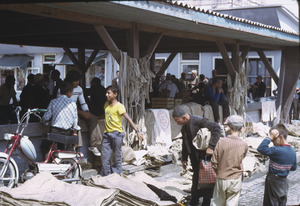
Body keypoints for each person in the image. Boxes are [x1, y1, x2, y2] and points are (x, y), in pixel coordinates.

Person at [172, 106, 221, 206]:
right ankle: (195, 201)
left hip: (205, 157)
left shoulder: (200, 121)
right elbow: (185, 143)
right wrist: (184, 158)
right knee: (196, 180)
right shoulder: (184, 128)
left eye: (178, 121)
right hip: (194, 157)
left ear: (184, 118)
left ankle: (206, 202)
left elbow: (217, 128)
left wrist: (211, 146)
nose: (177, 123)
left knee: (207, 181)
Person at [101, 85, 144, 176]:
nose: (106, 95)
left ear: (115, 94)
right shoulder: (106, 105)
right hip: (106, 135)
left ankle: (116, 176)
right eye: (106, 93)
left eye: (109, 93)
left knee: (117, 157)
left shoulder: (119, 106)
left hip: (117, 135)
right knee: (105, 157)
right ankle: (106, 176)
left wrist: (137, 132)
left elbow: (128, 119)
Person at [58, 70, 102, 156]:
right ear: (70, 81)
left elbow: (83, 102)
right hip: (66, 112)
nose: (78, 82)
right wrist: (81, 113)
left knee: (93, 118)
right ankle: (77, 148)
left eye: (78, 81)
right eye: (76, 81)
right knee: (76, 122)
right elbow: (61, 104)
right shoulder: (63, 88)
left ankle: (94, 144)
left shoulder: (79, 89)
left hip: (76, 110)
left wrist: (86, 112)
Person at [211, 115, 248, 206]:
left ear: (228, 127)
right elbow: (242, 158)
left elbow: (214, 162)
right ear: (242, 129)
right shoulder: (244, 144)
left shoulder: (221, 142)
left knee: (217, 203)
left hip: (221, 178)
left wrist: (219, 172)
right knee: (232, 202)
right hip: (235, 179)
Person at [257, 124, 297, 206]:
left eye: (273, 140)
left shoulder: (276, 150)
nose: (273, 143)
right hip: (284, 182)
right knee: (282, 202)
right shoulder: (293, 151)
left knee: (271, 203)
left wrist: (269, 137)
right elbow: (294, 168)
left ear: (280, 138)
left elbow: (261, 148)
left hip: (273, 181)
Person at [43, 81, 80, 152]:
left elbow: (46, 117)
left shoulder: (53, 101)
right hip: (67, 132)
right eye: (72, 92)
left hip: (55, 131)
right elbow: (75, 120)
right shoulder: (72, 103)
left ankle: (49, 160)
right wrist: (74, 131)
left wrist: (45, 122)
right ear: (68, 92)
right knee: (63, 148)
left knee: (44, 147)